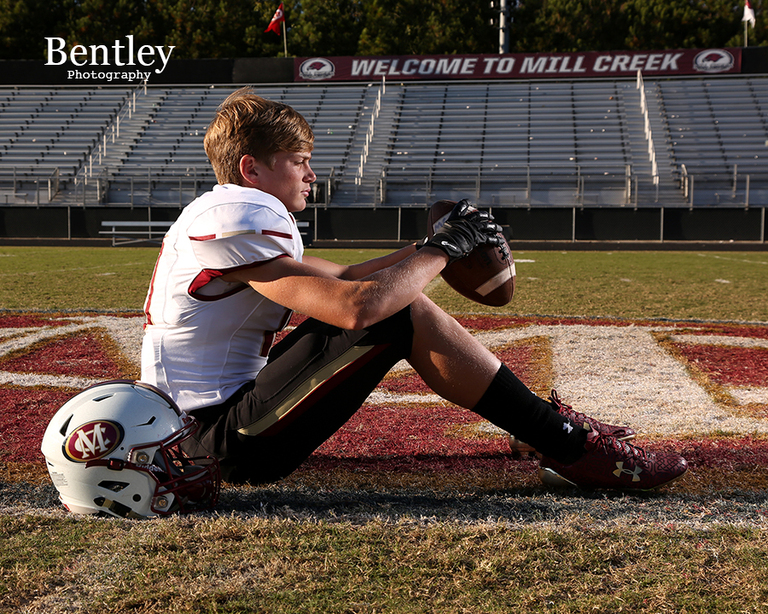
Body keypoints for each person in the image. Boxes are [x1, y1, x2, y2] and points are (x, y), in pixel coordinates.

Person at [140, 86, 687, 492]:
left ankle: (548, 432)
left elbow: (347, 279)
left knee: (394, 300)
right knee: (397, 311)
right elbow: (361, 308)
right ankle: (567, 444)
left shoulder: (220, 211)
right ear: (251, 169)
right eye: (300, 162)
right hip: (211, 446)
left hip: (194, 434)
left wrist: (431, 242)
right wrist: (443, 251)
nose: (311, 175)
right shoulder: (245, 209)